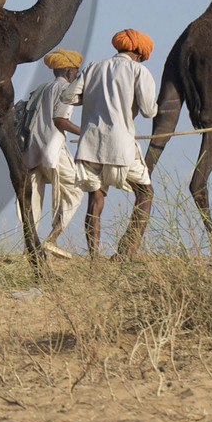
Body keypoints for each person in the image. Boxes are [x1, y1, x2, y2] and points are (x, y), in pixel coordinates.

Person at [74, 28, 158, 258]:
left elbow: (69, 97)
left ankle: (93, 260)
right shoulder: (139, 71)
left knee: (95, 200)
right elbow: (150, 111)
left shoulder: (93, 67)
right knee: (145, 194)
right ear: (140, 54)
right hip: (121, 146)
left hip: (89, 146)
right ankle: (127, 251)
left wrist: (93, 98)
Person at [14, 49, 85, 259]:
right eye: (76, 71)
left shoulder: (41, 89)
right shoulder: (65, 89)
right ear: (70, 71)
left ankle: (29, 247)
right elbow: (60, 120)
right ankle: (52, 239)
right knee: (75, 190)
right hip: (52, 148)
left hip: (31, 151)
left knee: (32, 199)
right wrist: (86, 132)